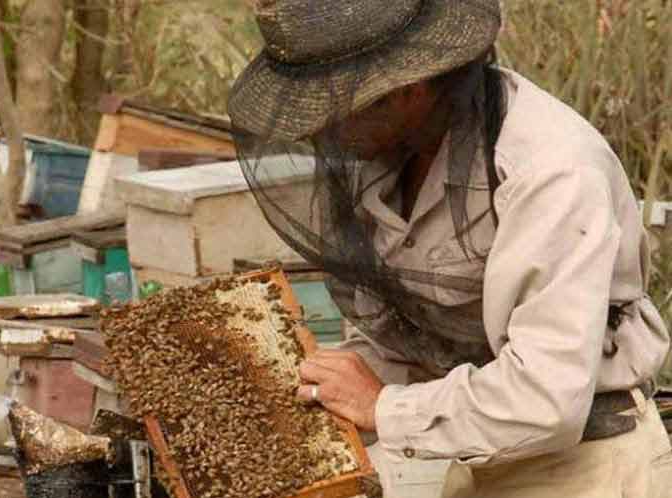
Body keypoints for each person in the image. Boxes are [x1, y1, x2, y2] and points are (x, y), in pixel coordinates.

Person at [227, 1, 672, 496]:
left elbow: (549, 397)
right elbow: (411, 336)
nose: (314, 129)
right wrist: (312, 388)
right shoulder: (387, 154)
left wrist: (382, 407)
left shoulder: (551, 170)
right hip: (481, 459)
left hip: (590, 470)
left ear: (407, 88)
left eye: (329, 107)